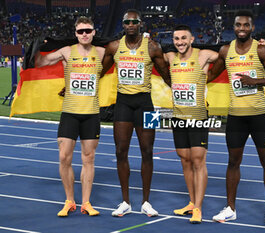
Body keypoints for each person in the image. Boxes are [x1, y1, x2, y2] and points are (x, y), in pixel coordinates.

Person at [208, 10, 265, 227]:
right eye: (238, 25)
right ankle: (230, 208)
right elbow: (212, 76)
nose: (242, 28)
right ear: (233, 27)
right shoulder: (225, 50)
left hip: (258, 116)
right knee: (233, 162)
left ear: (252, 28)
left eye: (246, 25)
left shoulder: (261, 49)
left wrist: (254, 82)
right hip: (236, 118)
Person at [101, 9, 170, 217]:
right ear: (123, 25)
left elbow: (168, 76)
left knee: (147, 151)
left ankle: (146, 202)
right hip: (123, 104)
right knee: (120, 151)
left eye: (134, 22)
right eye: (127, 22)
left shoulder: (153, 47)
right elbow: (98, 72)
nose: (131, 25)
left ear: (141, 24)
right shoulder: (114, 47)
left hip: (146, 104)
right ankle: (125, 202)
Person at [35, 16, 105, 217]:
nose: (84, 34)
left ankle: (86, 203)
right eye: (80, 31)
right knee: (64, 157)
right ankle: (69, 201)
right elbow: (41, 62)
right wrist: (36, 47)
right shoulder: (66, 51)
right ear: (75, 34)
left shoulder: (101, 52)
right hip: (70, 113)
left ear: (93, 32)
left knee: (88, 159)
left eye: (88, 30)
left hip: (91, 114)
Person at [163, 24, 218, 224]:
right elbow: (152, 56)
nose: (180, 42)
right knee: (185, 159)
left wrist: (209, 75)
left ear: (192, 39)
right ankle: (191, 201)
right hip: (178, 118)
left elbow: (227, 56)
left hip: (198, 117)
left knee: (198, 160)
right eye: (176, 39)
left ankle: (198, 208)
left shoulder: (203, 55)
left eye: (184, 38)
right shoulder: (170, 58)